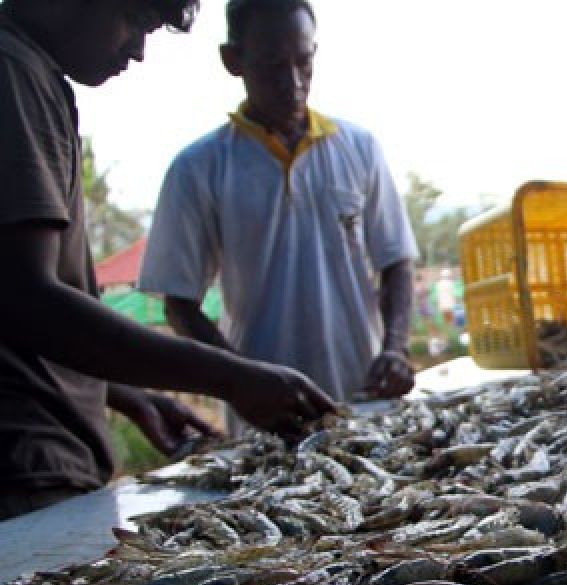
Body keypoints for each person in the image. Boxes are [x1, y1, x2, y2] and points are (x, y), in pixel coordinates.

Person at [0, 0, 335, 521]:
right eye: (134, 21)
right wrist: (231, 377)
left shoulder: (30, 71)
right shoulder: (12, 74)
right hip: (25, 467)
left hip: (43, 457)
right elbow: (26, 300)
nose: (136, 49)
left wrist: (125, 394)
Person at [138, 0, 419, 429]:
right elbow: (180, 305)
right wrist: (241, 378)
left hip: (365, 401)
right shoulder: (199, 168)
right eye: (272, 65)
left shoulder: (360, 148)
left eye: (304, 62)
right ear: (233, 61)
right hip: (266, 421)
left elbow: (396, 260)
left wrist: (396, 348)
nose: (293, 83)